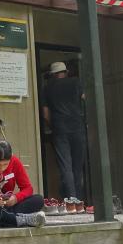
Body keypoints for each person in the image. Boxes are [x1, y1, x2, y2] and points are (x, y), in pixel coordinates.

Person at [40, 61, 87, 202]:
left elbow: (46, 114)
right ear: (65, 72)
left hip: (60, 130)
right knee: (77, 167)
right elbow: (86, 99)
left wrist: (53, 125)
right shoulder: (76, 82)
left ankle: (71, 201)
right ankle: (80, 201)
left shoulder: (47, 88)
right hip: (77, 127)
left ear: (53, 75)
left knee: (66, 167)